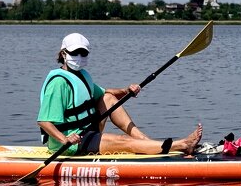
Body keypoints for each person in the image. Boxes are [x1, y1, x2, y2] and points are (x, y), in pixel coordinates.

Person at [38, 33, 202, 156]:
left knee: (109, 98)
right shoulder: (58, 83)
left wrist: (126, 90)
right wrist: (65, 140)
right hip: (71, 143)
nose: (79, 57)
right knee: (124, 141)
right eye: (75, 53)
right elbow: (44, 122)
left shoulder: (81, 75)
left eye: (83, 53)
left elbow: (105, 93)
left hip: (88, 131)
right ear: (63, 54)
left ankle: (147, 142)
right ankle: (181, 145)